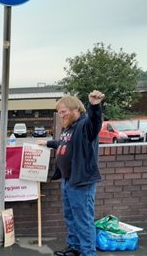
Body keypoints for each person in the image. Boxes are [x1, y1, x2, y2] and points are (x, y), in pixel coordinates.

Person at [37, 90, 105, 256]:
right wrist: (47, 142)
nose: (61, 116)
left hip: (81, 181)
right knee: (71, 217)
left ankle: (88, 253)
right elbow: (63, 143)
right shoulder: (69, 127)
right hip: (68, 180)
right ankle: (75, 248)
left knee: (83, 220)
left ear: (77, 109)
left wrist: (95, 106)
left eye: (64, 112)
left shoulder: (85, 125)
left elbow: (95, 122)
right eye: (59, 113)